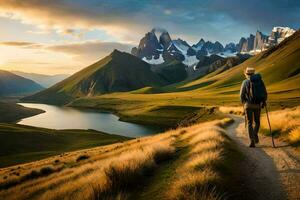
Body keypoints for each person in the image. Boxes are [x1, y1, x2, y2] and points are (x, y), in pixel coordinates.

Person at [240, 67, 267, 148]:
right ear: (254, 73)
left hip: (248, 105)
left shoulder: (245, 82)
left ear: (246, 74)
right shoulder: (260, 81)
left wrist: (244, 103)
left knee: (249, 123)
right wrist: (263, 101)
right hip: (257, 105)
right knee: (257, 122)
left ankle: (252, 140)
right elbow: (264, 92)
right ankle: (255, 134)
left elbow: (241, 95)